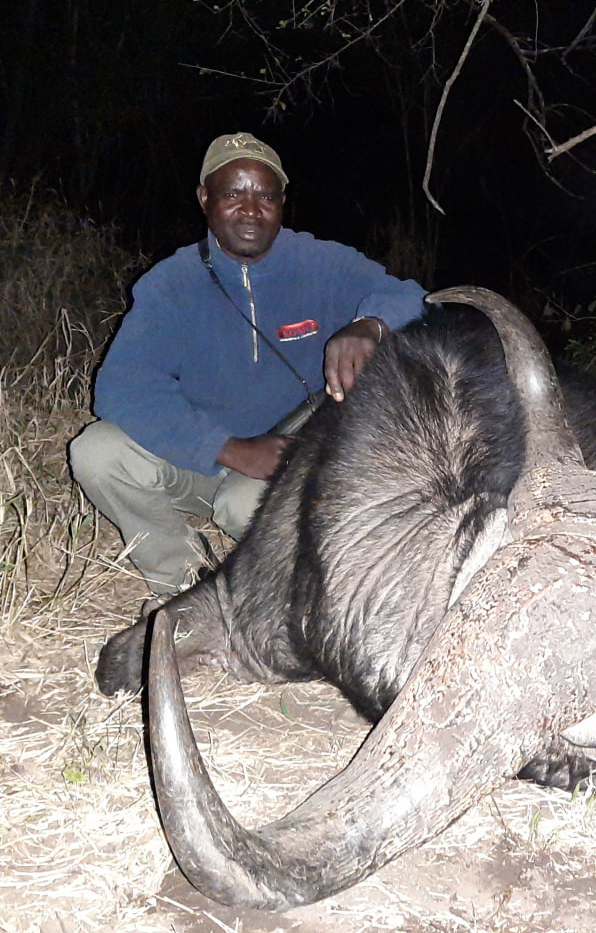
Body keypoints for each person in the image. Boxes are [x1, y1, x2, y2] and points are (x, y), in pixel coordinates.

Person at [70, 133, 426, 595]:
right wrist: (229, 449)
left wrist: (370, 326)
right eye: (233, 194)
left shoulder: (321, 262)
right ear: (205, 198)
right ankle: (186, 586)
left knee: (243, 508)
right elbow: (121, 388)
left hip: (292, 457)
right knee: (96, 452)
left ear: (282, 202)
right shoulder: (170, 284)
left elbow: (414, 298)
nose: (250, 209)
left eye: (265, 195)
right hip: (202, 456)